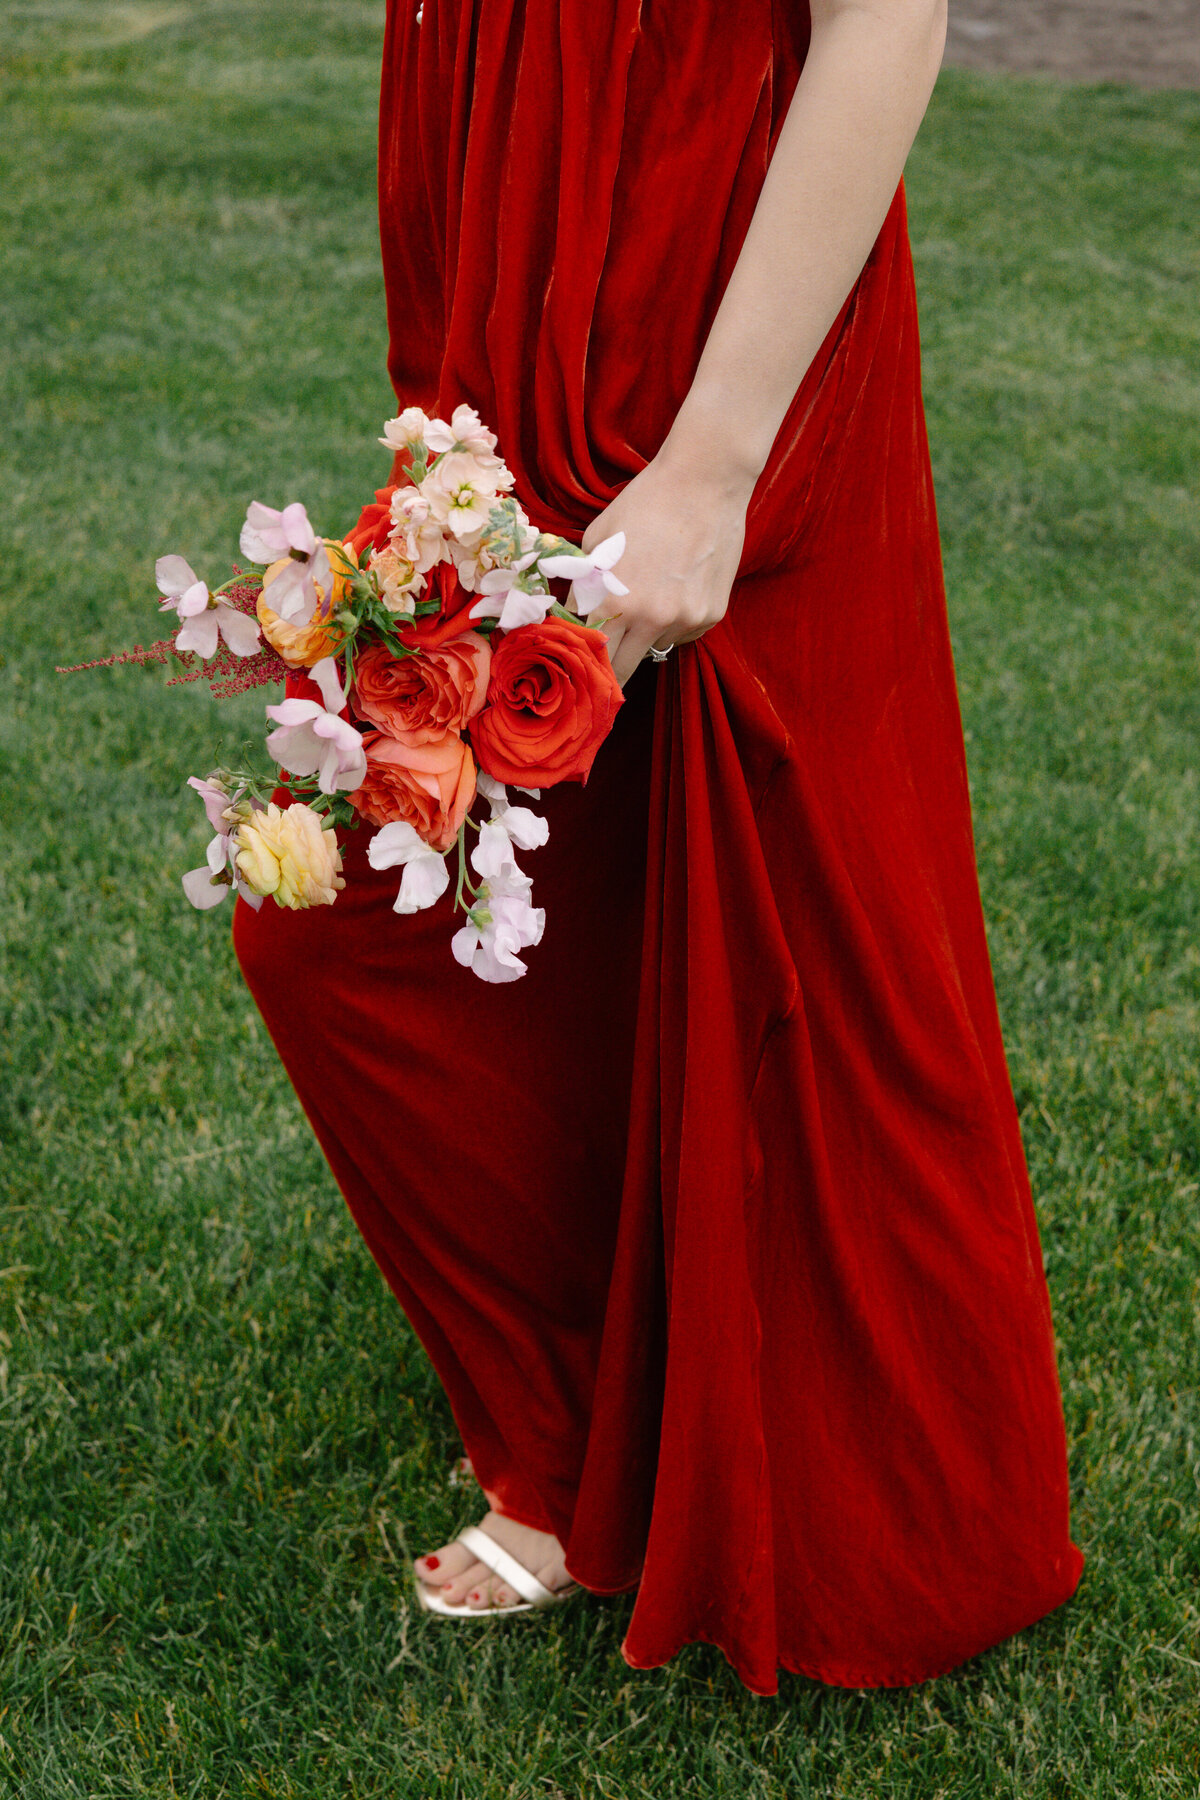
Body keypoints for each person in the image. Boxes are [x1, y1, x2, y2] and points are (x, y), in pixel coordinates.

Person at [233, 0, 1084, 1695]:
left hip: (705, 304)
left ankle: (803, 1471)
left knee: (777, 901)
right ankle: (579, 1424)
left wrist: (712, 462)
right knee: (464, 897)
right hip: (510, 273)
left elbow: (886, 14)